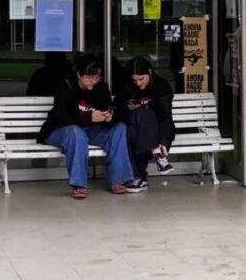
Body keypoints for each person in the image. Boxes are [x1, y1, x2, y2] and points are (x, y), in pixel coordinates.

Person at [37, 53, 136, 199]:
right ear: (79, 74)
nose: (93, 81)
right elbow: (62, 117)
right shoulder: (65, 86)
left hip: (90, 130)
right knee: (76, 132)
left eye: (96, 77)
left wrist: (110, 116)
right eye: (89, 77)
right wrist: (89, 117)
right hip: (61, 130)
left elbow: (111, 108)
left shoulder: (101, 87)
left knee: (120, 128)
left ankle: (117, 180)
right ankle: (79, 184)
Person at [117, 56, 175, 192]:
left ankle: (139, 177)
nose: (138, 83)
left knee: (145, 113)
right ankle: (158, 156)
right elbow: (119, 110)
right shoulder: (126, 87)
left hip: (159, 130)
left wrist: (163, 141)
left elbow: (165, 116)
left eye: (141, 79)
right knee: (134, 123)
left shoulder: (161, 85)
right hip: (133, 129)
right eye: (134, 80)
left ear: (150, 72)